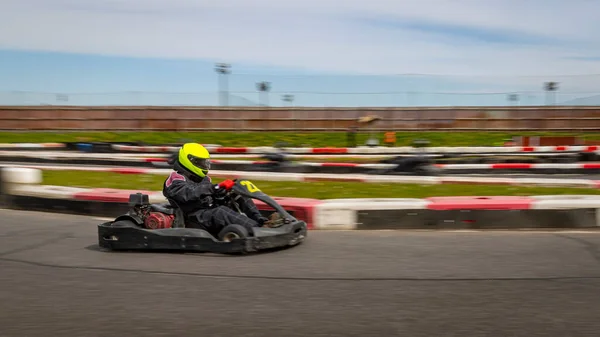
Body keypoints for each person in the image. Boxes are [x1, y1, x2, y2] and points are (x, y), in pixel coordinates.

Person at [162, 142, 279, 236]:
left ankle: (261, 221)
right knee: (221, 212)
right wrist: (214, 188)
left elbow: (207, 193)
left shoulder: (202, 178)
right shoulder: (175, 178)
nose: (203, 166)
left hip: (206, 210)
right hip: (193, 217)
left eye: (204, 162)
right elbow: (187, 194)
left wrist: (223, 191)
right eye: (200, 162)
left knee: (237, 194)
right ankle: (259, 230)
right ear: (189, 161)